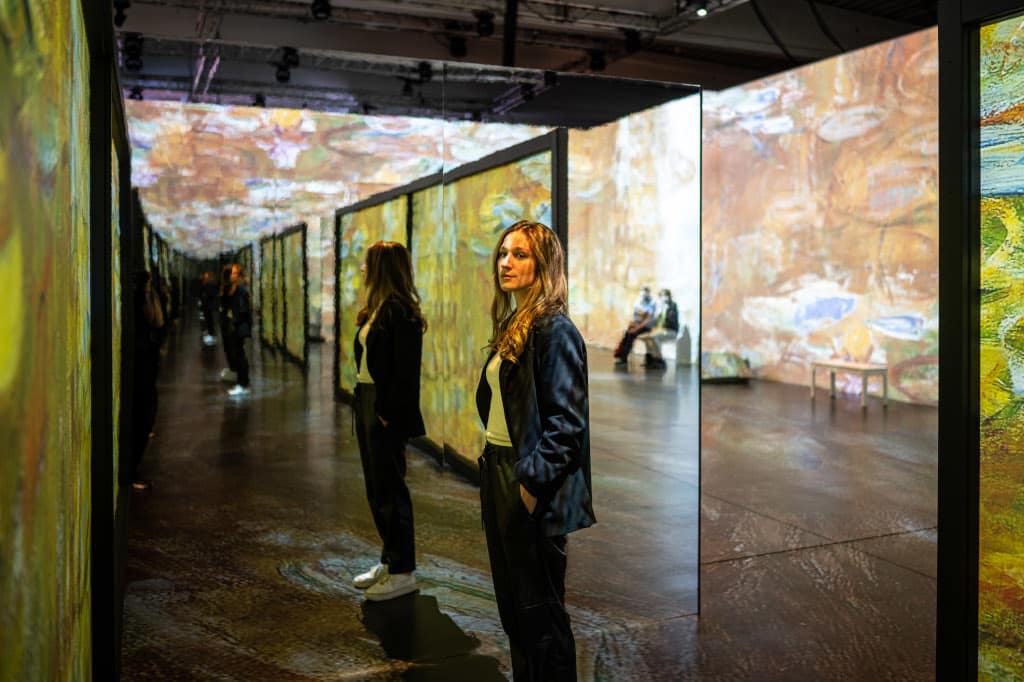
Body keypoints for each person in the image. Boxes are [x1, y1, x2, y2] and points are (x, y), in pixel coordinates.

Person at [476, 220, 596, 680]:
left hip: (526, 479)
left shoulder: (553, 330)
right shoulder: (516, 323)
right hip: (500, 470)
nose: (506, 262)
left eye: (520, 254)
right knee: (515, 611)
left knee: (539, 613)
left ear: (544, 264)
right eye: (504, 253)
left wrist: (530, 483)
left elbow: (568, 425)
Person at [350, 241, 427, 602]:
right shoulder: (378, 308)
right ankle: (390, 558)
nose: (363, 269)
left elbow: (406, 374)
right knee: (376, 488)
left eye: (367, 263)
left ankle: (403, 571)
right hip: (366, 400)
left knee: (390, 490)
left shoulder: (399, 312)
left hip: (383, 409)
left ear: (381, 267)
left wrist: (386, 413)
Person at [130, 271, 165, 490]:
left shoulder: (139, 299)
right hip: (143, 361)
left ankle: (131, 469)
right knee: (144, 410)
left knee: (146, 408)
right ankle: (130, 471)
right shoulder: (142, 300)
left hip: (142, 360)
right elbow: (157, 320)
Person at [224, 263, 252, 397]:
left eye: (234, 273)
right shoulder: (239, 288)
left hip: (239, 326)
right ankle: (242, 382)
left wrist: (234, 321)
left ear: (239, 276)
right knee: (239, 354)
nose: (232, 276)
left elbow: (242, 310)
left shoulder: (240, 289)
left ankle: (243, 384)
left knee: (239, 355)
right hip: (239, 325)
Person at [613, 286, 656, 366]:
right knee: (626, 333)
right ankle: (620, 354)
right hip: (637, 325)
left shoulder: (652, 303)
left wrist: (635, 329)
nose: (643, 294)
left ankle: (624, 359)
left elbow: (647, 320)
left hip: (646, 327)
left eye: (645, 292)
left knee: (631, 335)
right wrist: (630, 326)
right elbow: (634, 316)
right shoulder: (639, 301)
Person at [639, 288, 680, 369]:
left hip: (670, 331)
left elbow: (671, 321)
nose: (663, 298)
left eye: (665, 296)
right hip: (661, 330)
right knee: (647, 337)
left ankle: (660, 360)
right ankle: (650, 360)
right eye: (661, 296)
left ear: (669, 296)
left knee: (655, 337)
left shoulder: (673, 306)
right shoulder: (660, 307)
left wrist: (664, 310)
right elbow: (657, 322)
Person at [218, 263, 237, 383]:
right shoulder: (229, 288)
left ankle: (234, 370)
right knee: (229, 346)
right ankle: (233, 369)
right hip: (228, 320)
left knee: (231, 346)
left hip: (229, 320)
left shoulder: (230, 288)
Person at [199, 271, 219, 347]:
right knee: (209, 320)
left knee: (211, 320)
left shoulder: (211, 285)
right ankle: (211, 333)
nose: (206, 278)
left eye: (207, 277)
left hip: (210, 306)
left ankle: (212, 334)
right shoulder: (207, 285)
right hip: (207, 305)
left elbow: (211, 294)